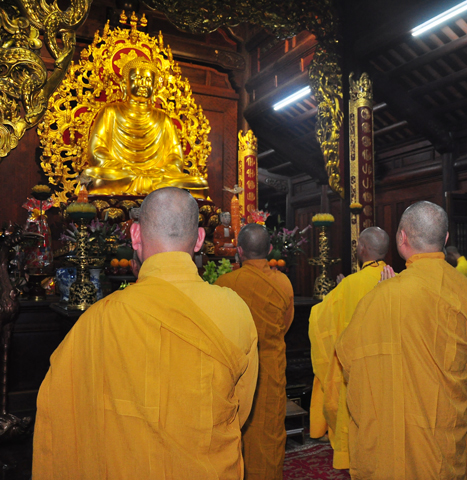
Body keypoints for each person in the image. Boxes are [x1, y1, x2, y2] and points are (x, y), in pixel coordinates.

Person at [33, 187, 258, 479]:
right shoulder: (235, 311)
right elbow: (240, 409)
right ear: (201, 239)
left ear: (135, 234)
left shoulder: (97, 321)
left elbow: (60, 412)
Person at [336, 201, 467, 479]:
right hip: (449, 419)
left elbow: (348, 353)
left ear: (402, 238)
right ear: (446, 238)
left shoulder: (387, 295)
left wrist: (378, 298)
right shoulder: (466, 287)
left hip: (407, 425)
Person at [215, 223, 294, 480]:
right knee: (269, 430)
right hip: (270, 366)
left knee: (234, 427)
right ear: (270, 249)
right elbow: (286, 324)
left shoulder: (226, 283)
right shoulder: (283, 283)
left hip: (236, 369)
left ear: (239, 251)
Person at [308, 226, 390, 469]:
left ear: (361, 249)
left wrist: (340, 291)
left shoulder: (350, 284)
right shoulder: (397, 279)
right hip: (388, 367)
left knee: (356, 417)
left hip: (356, 370)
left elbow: (320, 320)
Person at [83, 57, 209, 197]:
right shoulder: (110, 112)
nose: (143, 84)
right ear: (124, 84)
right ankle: (152, 189)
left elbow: (176, 157)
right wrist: (124, 167)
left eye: (148, 80)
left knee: (200, 184)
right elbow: (96, 151)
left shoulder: (164, 119)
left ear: (155, 87)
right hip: (123, 173)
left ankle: (150, 187)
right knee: (94, 177)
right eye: (137, 79)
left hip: (157, 175)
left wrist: (162, 170)